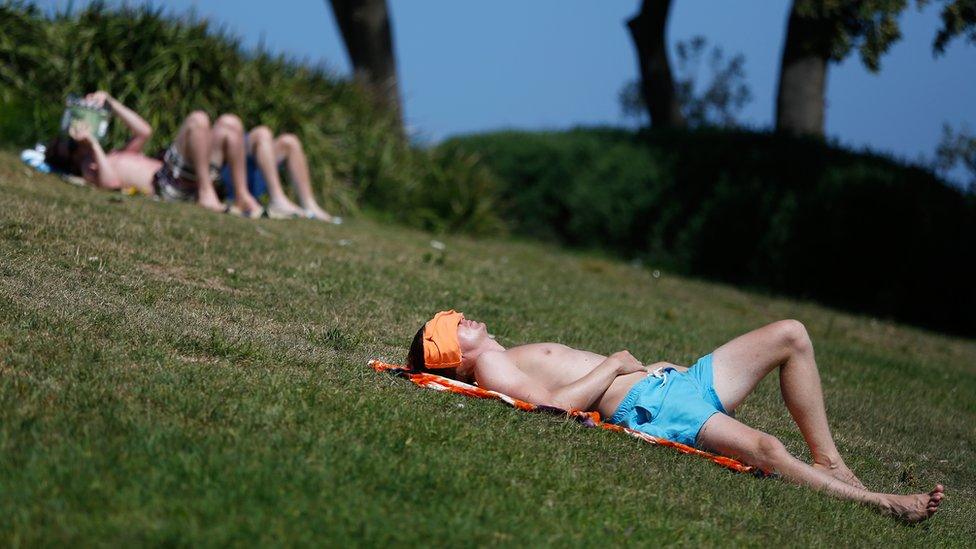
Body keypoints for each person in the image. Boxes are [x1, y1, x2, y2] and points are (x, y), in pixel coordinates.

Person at [405, 310, 945, 523]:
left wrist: (641, 368)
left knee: (791, 335)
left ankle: (832, 462)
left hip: (670, 385)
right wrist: (616, 362)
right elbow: (554, 408)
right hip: (656, 404)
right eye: (450, 325)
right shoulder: (492, 366)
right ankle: (883, 503)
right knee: (768, 450)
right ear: (453, 354)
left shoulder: (501, 353)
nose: (459, 316)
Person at [45, 91, 263, 217]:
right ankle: (207, 192)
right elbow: (110, 183)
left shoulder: (113, 154)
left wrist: (110, 103)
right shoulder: (89, 168)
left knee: (230, 123)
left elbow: (144, 131)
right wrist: (92, 144)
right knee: (198, 119)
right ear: (68, 158)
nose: (72, 140)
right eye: (67, 145)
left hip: (183, 174)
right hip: (169, 182)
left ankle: (243, 197)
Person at [218, 122, 341, 223]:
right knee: (262, 133)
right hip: (232, 177)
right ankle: (277, 199)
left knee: (290, 141)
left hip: (253, 175)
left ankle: (309, 204)